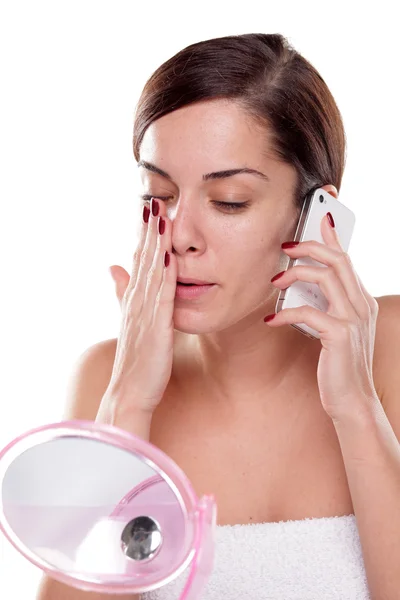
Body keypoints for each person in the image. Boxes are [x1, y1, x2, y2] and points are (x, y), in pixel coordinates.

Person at [37, 32, 390, 600]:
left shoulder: (390, 349)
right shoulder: (106, 380)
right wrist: (127, 406)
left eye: (229, 201)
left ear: (317, 214)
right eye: (157, 193)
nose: (179, 235)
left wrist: (356, 408)